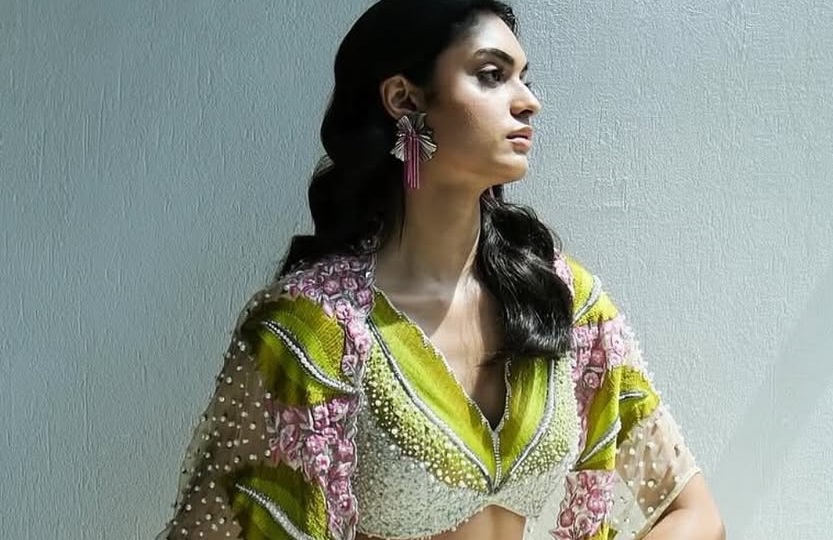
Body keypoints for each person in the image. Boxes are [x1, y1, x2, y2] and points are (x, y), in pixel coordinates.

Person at [157, 1, 726, 538]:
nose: (528, 102)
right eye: (491, 75)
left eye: (525, 78)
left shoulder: (559, 299)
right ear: (404, 99)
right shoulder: (314, 329)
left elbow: (693, 512)